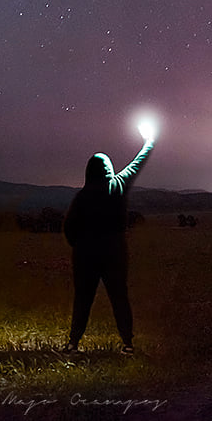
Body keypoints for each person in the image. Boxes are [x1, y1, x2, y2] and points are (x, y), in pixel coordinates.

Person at [63, 124, 154, 353]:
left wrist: (80, 245)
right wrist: (149, 140)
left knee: (83, 298)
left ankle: (73, 343)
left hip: (85, 253)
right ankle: (127, 344)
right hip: (115, 252)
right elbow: (138, 161)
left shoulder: (82, 196)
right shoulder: (119, 185)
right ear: (108, 168)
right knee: (119, 297)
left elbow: (69, 227)